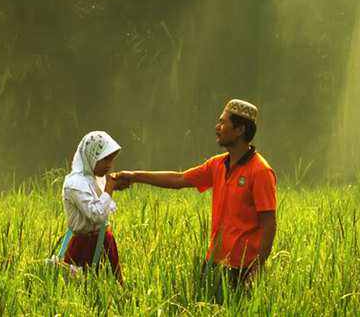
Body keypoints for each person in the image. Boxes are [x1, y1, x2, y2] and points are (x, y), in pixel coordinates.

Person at [116, 99, 276, 290]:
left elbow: (269, 224)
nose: (217, 127)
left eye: (223, 122)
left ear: (240, 129)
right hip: (213, 262)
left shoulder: (260, 171)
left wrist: (256, 269)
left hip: (242, 268)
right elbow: (179, 179)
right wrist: (134, 176)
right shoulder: (217, 165)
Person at [61, 131, 129, 284]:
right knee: (82, 288)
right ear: (92, 156)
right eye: (105, 159)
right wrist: (110, 187)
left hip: (103, 241)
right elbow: (97, 214)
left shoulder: (93, 179)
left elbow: (100, 199)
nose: (109, 165)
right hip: (84, 245)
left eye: (111, 160)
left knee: (113, 287)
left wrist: (114, 186)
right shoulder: (75, 184)